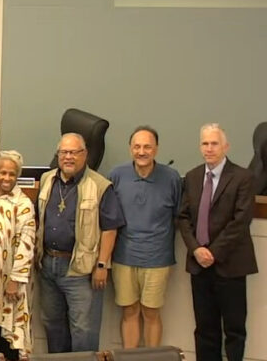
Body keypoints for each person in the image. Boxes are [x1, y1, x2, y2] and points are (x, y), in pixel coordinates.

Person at [36, 133, 125, 353]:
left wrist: (102, 265)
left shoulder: (100, 185)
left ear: (84, 154)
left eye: (74, 152)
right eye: (64, 152)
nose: (68, 157)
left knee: (83, 331)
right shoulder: (47, 180)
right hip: (48, 265)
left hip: (81, 270)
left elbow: (110, 228)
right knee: (52, 326)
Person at [177, 124, 258, 361]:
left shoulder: (243, 177)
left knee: (233, 330)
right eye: (205, 143)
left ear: (226, 146)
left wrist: (212, 252)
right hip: (199, 266)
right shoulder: (192, 177)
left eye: (214, 143)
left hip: (229, 265)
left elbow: (241, 220)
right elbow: (183, 217)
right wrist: (196, 249)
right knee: (204, 329)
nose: (209, 148)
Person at [108, 127, 181, 349]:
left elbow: (178, 216)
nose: (142, 151)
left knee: (151, 312)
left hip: (158, 258)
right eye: (137, 146)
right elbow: (109, 217)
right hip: (124, 257)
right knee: (129, 311)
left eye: (147, 146)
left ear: (156, 149)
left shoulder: (171, 178)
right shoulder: (117, 175)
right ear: (130, 149)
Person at [0, 150, 36, 360]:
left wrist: (15, 279)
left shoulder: (23, 205)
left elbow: (27, 244)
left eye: (11, 174)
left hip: (13, 280)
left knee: (12, 329)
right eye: (2, 173)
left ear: (17, 176)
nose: (6, 178)